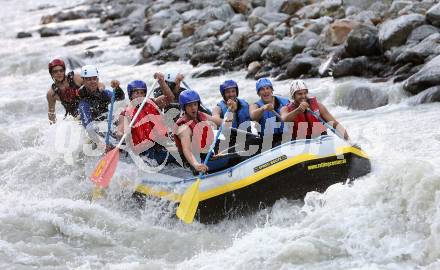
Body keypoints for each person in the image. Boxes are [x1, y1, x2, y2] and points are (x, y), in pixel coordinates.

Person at [116, 73, 176, 164]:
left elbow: (170, 98)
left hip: (162, 145)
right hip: (145, 152)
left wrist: (161, 82)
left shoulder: (153, 103)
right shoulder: (125, 113)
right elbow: (119, 132)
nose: (140, 95)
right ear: (131, 95)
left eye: (142, 93)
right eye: (137, 93)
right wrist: (125, 133)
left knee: (180, 151)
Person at [280, 80, 350, 140]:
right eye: (300, 94)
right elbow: (284, 119)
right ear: (293, 95)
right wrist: (298, 110)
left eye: (305, 93)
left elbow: (336, 125)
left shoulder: (318, 106)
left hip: (321, 140)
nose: (303, 96)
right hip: (300, 143)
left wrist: (349, 141)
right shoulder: (285, 109)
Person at [173, 90, 222, 174]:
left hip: (206, 155)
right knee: (236, 158)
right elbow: (186, 149)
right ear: (184, 107)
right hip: (193, 162)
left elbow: (221, 123)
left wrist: (231, 111)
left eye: (195, 104)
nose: (193, 108)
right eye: (189, 105)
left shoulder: (201, 115)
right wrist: (196, 165)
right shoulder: (183, 128)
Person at [46, 58, 103, 124]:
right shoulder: (51, 93)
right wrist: (53, 129)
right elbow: (51, 113)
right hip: (77, 119)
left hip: (91, 108)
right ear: (51, 73)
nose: (59, 73)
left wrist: (101, 89)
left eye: (61, 70)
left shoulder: (75, 78)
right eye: (55, 71)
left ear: (64, 71)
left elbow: (98, 84)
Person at [77, 64, 125, 138]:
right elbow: (89, 127)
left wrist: (117, 88)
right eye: (89, 79)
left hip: (107, 123)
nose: (92, 81)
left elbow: (120, 98)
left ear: (98, 79)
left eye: (94, 78)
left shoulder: (103, 93)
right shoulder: (84, 103)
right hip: (96, 130)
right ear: (83, 81)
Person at [249, 77, 289, 146]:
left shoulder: (284, 101)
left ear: (272, 90)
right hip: (268, 142)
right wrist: (263, 108)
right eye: (262, 89)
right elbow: (253, 116)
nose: (265, 91)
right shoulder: (255, 105)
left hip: (285, 138)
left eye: (268, 88)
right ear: (258, 93)